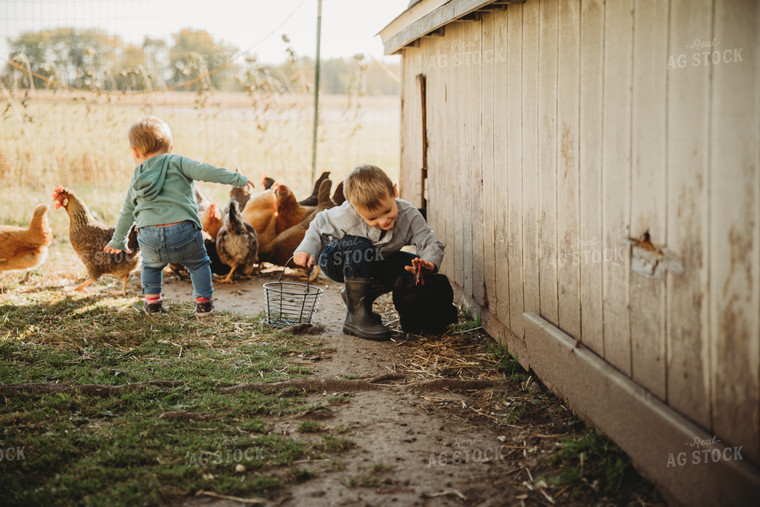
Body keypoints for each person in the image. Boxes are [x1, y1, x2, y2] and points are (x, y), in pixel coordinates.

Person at [105, 115, 252, 317]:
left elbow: (127, 211)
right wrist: (238, 179)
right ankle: (203, 305)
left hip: (149, 236)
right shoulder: (179, 162)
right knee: (199, 263)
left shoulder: (137, 176)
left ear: (135, 152)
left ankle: (153, 304)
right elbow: (207, 171)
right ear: (171, 147)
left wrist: (118, 240)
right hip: (183, 232)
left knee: (150, 265)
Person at [294, 164, 444, 340]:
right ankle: (356, 318)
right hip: (337, 261)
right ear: (354, 208)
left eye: (387, 211)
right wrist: (306, 249)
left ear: (395, 191)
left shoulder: (409, 214)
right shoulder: (346, 215)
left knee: (410, 266)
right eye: (372, 218)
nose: (383, 220)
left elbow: (429, 241)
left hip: (375, 261)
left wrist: (429, 263)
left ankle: (361, 296)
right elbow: (319, 224)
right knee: (361, 245)